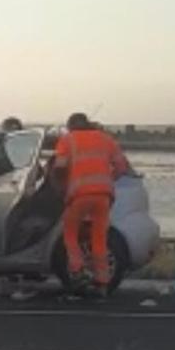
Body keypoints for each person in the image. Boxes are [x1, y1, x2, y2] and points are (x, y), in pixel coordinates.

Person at [53, 112, 129, 297]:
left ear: (70, 126)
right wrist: (108, 180)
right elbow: (122, 167)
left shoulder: (67, 140)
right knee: (99, 239)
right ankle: (102, 283)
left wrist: (61, 187)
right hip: (103, 196)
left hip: (79, 195)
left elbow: (59, 167)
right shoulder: (105, 139)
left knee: (70, 233)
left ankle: (77, 270)